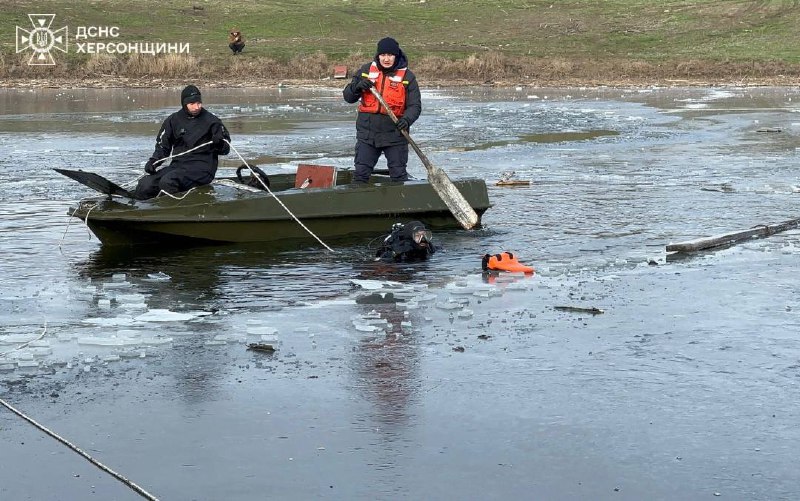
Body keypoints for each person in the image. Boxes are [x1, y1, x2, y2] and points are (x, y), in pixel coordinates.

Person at [343, 37, 421, 183]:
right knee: (360, 175)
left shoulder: (407, 77)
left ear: (396, 56)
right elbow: (348, 97)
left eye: (390, 55)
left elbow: (415, 106)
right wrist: (357, 87)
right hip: (367, 135)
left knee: (398, 176)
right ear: (378, 55)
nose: (386, 59)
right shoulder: (365, 71)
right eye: (383, 55)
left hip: (395, 135)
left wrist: (406, 120)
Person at [134, 85, 230, 200]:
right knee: (145, 185)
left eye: (199, 103)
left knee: (168, 182)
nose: (196, 107)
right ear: (185, 104)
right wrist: (154, 161)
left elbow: (226, 149)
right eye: (192, 104)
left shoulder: (212, 121)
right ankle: (143, 210)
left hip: (203, 168)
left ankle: (174, 212)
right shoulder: (173, 120)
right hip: (179, 166)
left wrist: (219, 143)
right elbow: (163, 147)